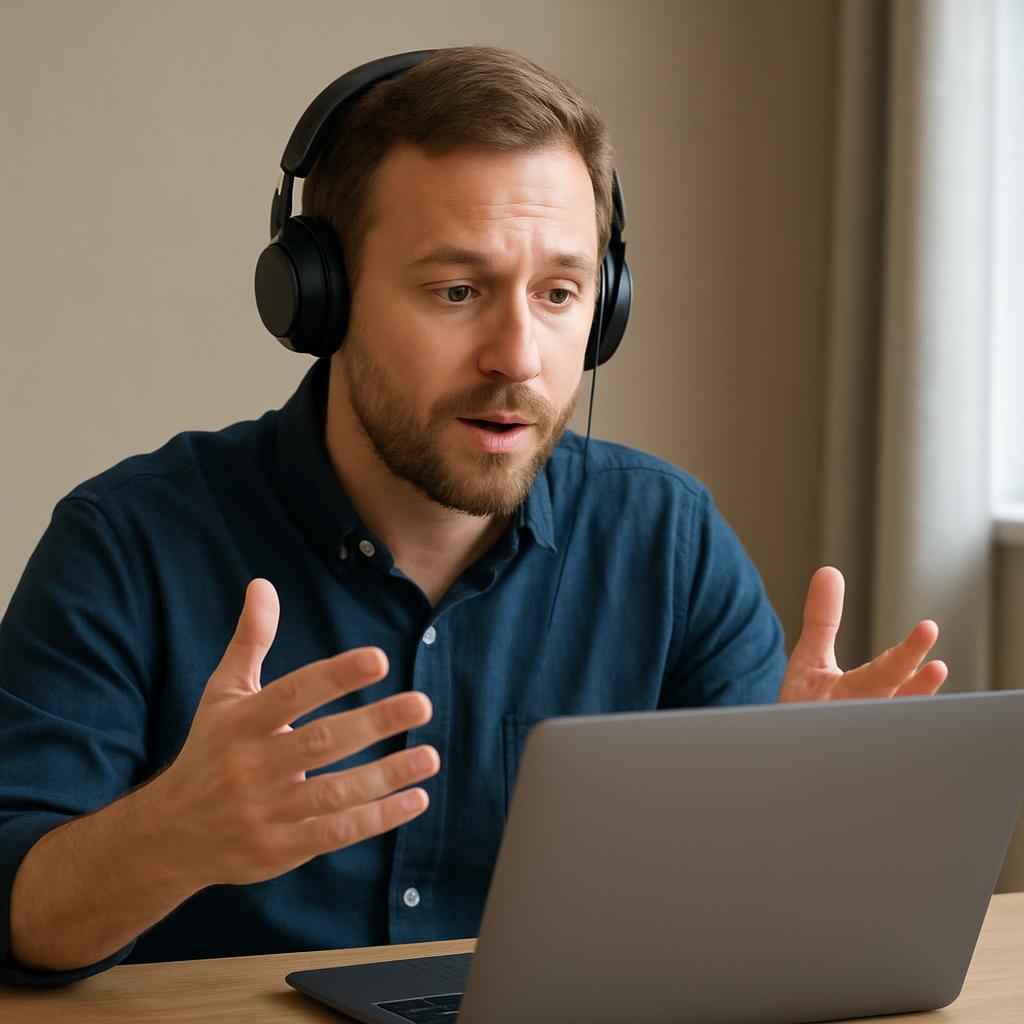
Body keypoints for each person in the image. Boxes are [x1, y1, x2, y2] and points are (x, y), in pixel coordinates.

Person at [0, 46, 947, 987]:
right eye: (457, 291)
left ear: (606, 309)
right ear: (321, 303)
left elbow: (737, 934)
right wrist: (171, 839)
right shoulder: (127, 542)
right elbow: (14, 912)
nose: (518, 357)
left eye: (560, 293)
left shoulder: (669, 538)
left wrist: (811, 818)